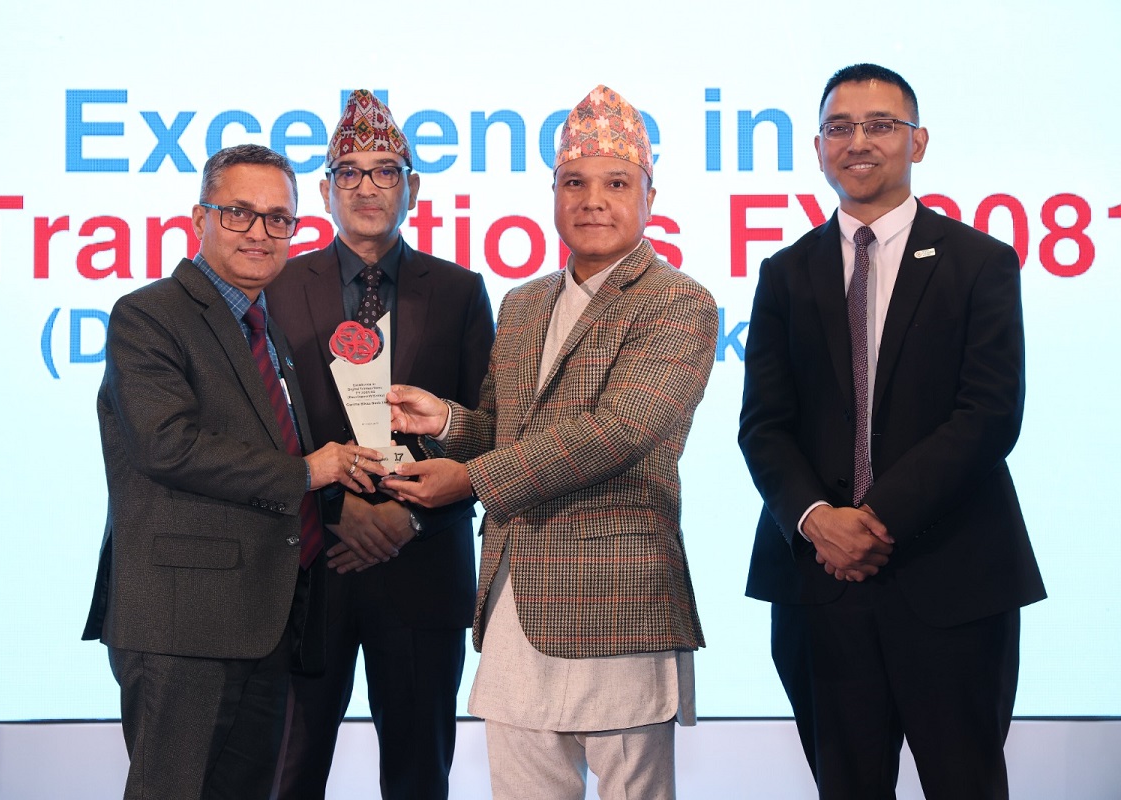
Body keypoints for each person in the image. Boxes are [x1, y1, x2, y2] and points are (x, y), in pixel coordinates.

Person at [383, 85, 718, 800]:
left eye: (616, 184)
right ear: (554, 194)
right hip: (514, 598)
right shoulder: (524, 301)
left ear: (651, 197)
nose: (592, 201)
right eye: (574, 183)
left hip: (617, 600)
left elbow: (620, 431)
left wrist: (472, 481)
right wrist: (445, 422)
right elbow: (501, 429)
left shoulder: (677, 301)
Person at [738, 64, 1046, 799]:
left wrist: (872, 521)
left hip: (953, 578)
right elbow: (763, 425)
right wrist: (819, 522)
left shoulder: (980, 262)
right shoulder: (785, 272)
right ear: (819, 147)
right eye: (839, 127)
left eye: (880, 125)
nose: (859, 142)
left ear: (919, 142)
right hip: (820, 585)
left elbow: (989, 414)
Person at [82, 143, 386, 800]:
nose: (260, 232)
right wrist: (308, 473)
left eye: (279, 219)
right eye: (239, 213)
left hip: (263, 618)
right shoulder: (150, 314)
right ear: (200, 218)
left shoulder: (264, 326)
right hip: (183, 621)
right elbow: (167, 445)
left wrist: (351, 495)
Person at [264, 90, 494, 800]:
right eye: (350, 172)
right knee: (288, 772)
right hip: (309, 568)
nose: (367, 187)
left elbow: (488, 429)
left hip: (421, 568)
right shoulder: (276, 286)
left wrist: (411, 518)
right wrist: (336, 512)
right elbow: (262, 426)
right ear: (325, 192)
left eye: (385, 171)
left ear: (412, 188)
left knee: (419, 776)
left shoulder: (459, 291)